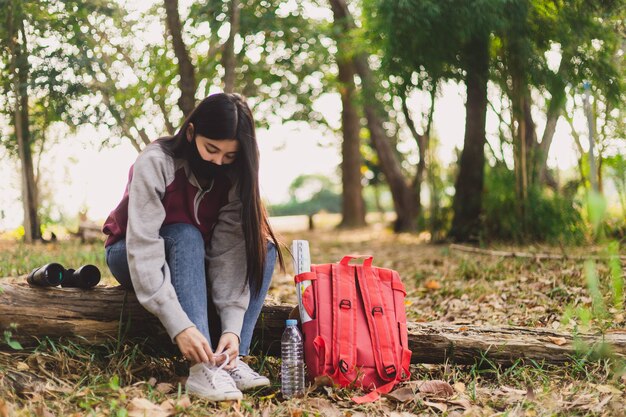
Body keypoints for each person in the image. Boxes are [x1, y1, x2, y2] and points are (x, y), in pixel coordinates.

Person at [102, 92, 284, 401]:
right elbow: (143, 247)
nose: (217, 161)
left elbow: (229, 253)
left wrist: (232, 329)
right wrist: (180, 326)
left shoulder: (235, 177)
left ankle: (229, 360)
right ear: (191, 132)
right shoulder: (156, 162)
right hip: (132, 253)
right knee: (186, 234)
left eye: (229, 156)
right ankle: (203, 370)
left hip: (192, 255)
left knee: (262, 248)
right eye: (211, 149)